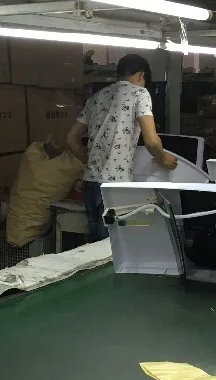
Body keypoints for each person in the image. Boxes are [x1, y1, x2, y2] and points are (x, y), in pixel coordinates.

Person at [66, 54, 177, 242]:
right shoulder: (139, 94)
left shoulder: (97, 97)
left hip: (91, 182)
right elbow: (151, 141)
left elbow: (70, 139)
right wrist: (163, 158)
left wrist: (89, 162)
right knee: (116, 246)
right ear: (142, 76)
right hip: (116, 186)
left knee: (95, 246)